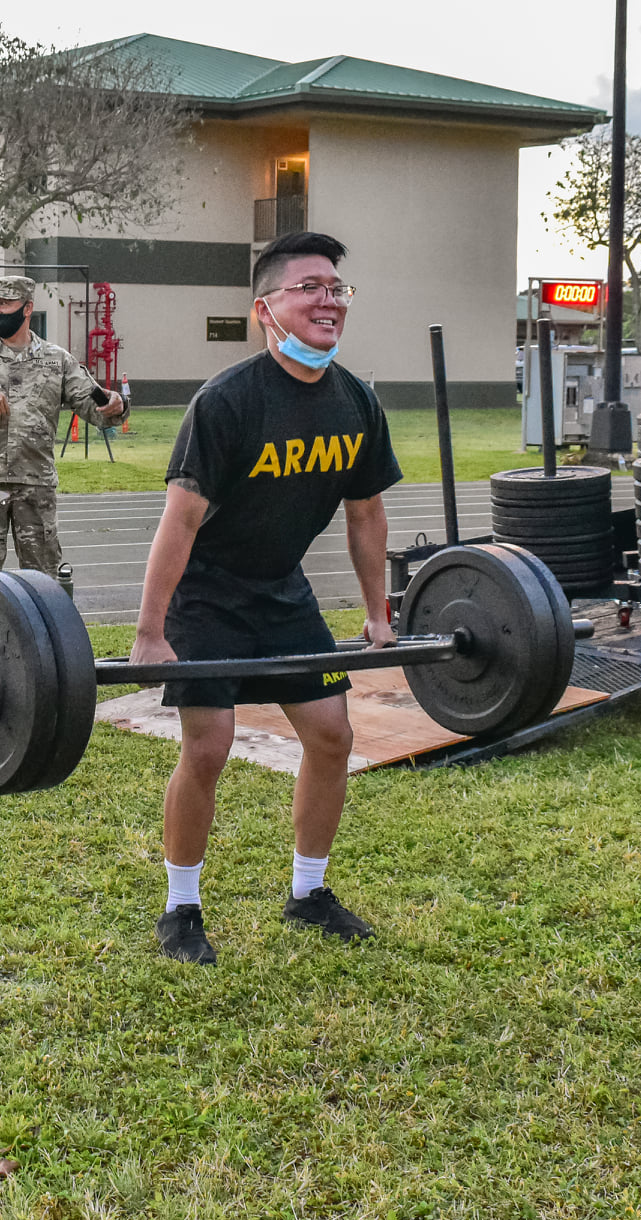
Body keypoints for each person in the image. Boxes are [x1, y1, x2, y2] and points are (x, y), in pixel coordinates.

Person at [129, 231, 402, 964]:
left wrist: (378, 616)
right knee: (209, 748)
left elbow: (366, 513)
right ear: (265, 309)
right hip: (208, 596)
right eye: (308, 286)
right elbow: (179, 521)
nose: (327, 300)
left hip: (282, 592)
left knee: (331, 736)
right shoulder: (226, 402)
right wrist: (151, 632)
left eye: (336, 288)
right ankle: (180, 909)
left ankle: (307, 893)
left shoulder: (355, 402)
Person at [0, 275, 125, 573]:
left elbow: (94, 407)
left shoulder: (57, 361)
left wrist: (114, 406)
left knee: (43, 577)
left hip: (35, 485)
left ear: (27, 308)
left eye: (5, 303)